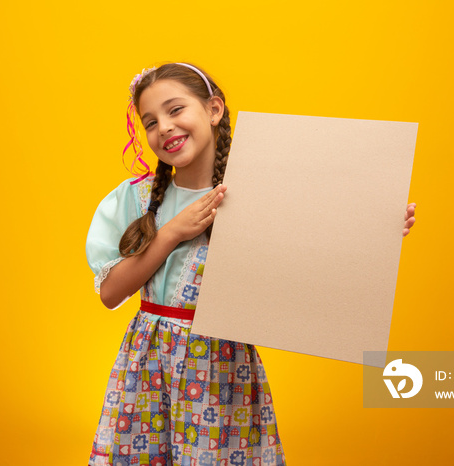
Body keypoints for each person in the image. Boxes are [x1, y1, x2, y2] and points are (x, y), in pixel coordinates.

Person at [85, 62, 416, 466]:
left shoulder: (255, 197)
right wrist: (171, 232)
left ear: (214, 110)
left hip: (222, 371)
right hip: (146, 366)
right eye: (150, 121)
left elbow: (306, 260)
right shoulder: (135, 199)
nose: (164, 128)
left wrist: (372, 233)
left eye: (175, 110)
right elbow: (110, 293)